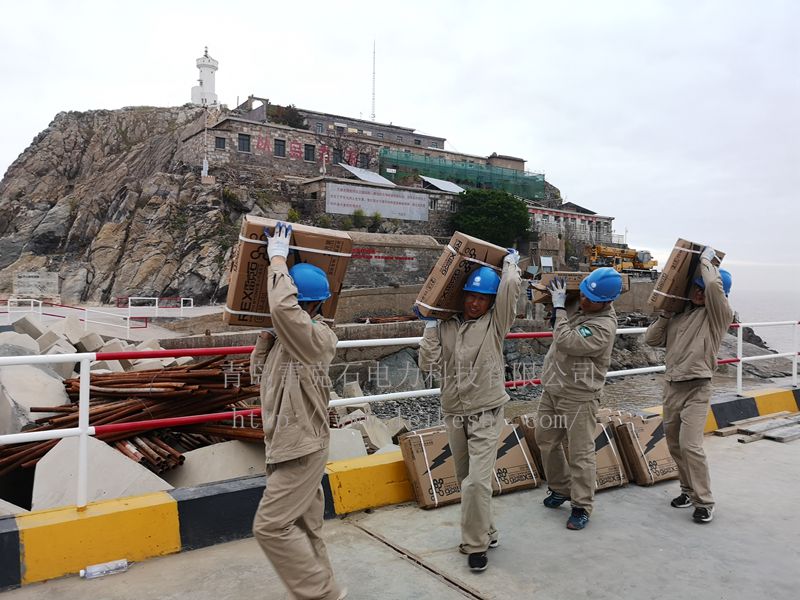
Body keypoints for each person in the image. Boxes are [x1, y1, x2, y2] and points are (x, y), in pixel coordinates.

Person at [250, 222, 346, 600]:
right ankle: (323, 589)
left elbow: (283, 306)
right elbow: (259, 374)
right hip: (286, 442)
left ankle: (322, 593)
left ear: (309, 305)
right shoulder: (286, 340)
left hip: (302, 449)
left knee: (270, 526)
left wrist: (277, 259)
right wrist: (265, 337)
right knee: (308, 529)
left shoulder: (317, 338)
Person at [417, 249, 523, 572]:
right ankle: (487, 531)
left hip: (487, 412)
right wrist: (431, 328)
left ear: (491, 302)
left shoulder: (496, 324)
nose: (474, 303)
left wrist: (510, 266)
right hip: (454, 412)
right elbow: (428, 364)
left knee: (476, 483)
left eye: (482, 298)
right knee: (467, 480)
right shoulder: (447, 325)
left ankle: (475, 545)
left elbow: (509, 292)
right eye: (470, 296)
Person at [645, 247, 733, 524]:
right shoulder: (680, 316)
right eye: (694, 288)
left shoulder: (717, 317)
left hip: (697, 387)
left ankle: (704, 501)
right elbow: (651, 340)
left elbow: (714, 287)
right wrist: (666, 315)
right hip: (672, 387)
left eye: (701, 289)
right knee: (674, 445)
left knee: (690, 445)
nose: (698, 293)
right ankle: (687, 491)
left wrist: (706, 262)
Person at [535, 267, 623, 531]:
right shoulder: (584, 304)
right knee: (546, 439)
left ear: (607, 302)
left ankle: (581, 506)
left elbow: (566, 342)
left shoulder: (603, 326)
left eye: (590, 299)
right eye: (582, 295)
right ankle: (561, 488)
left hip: (579, 395)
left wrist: (560, 307)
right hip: (553, 387)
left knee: (580, 452)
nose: (583, 301)